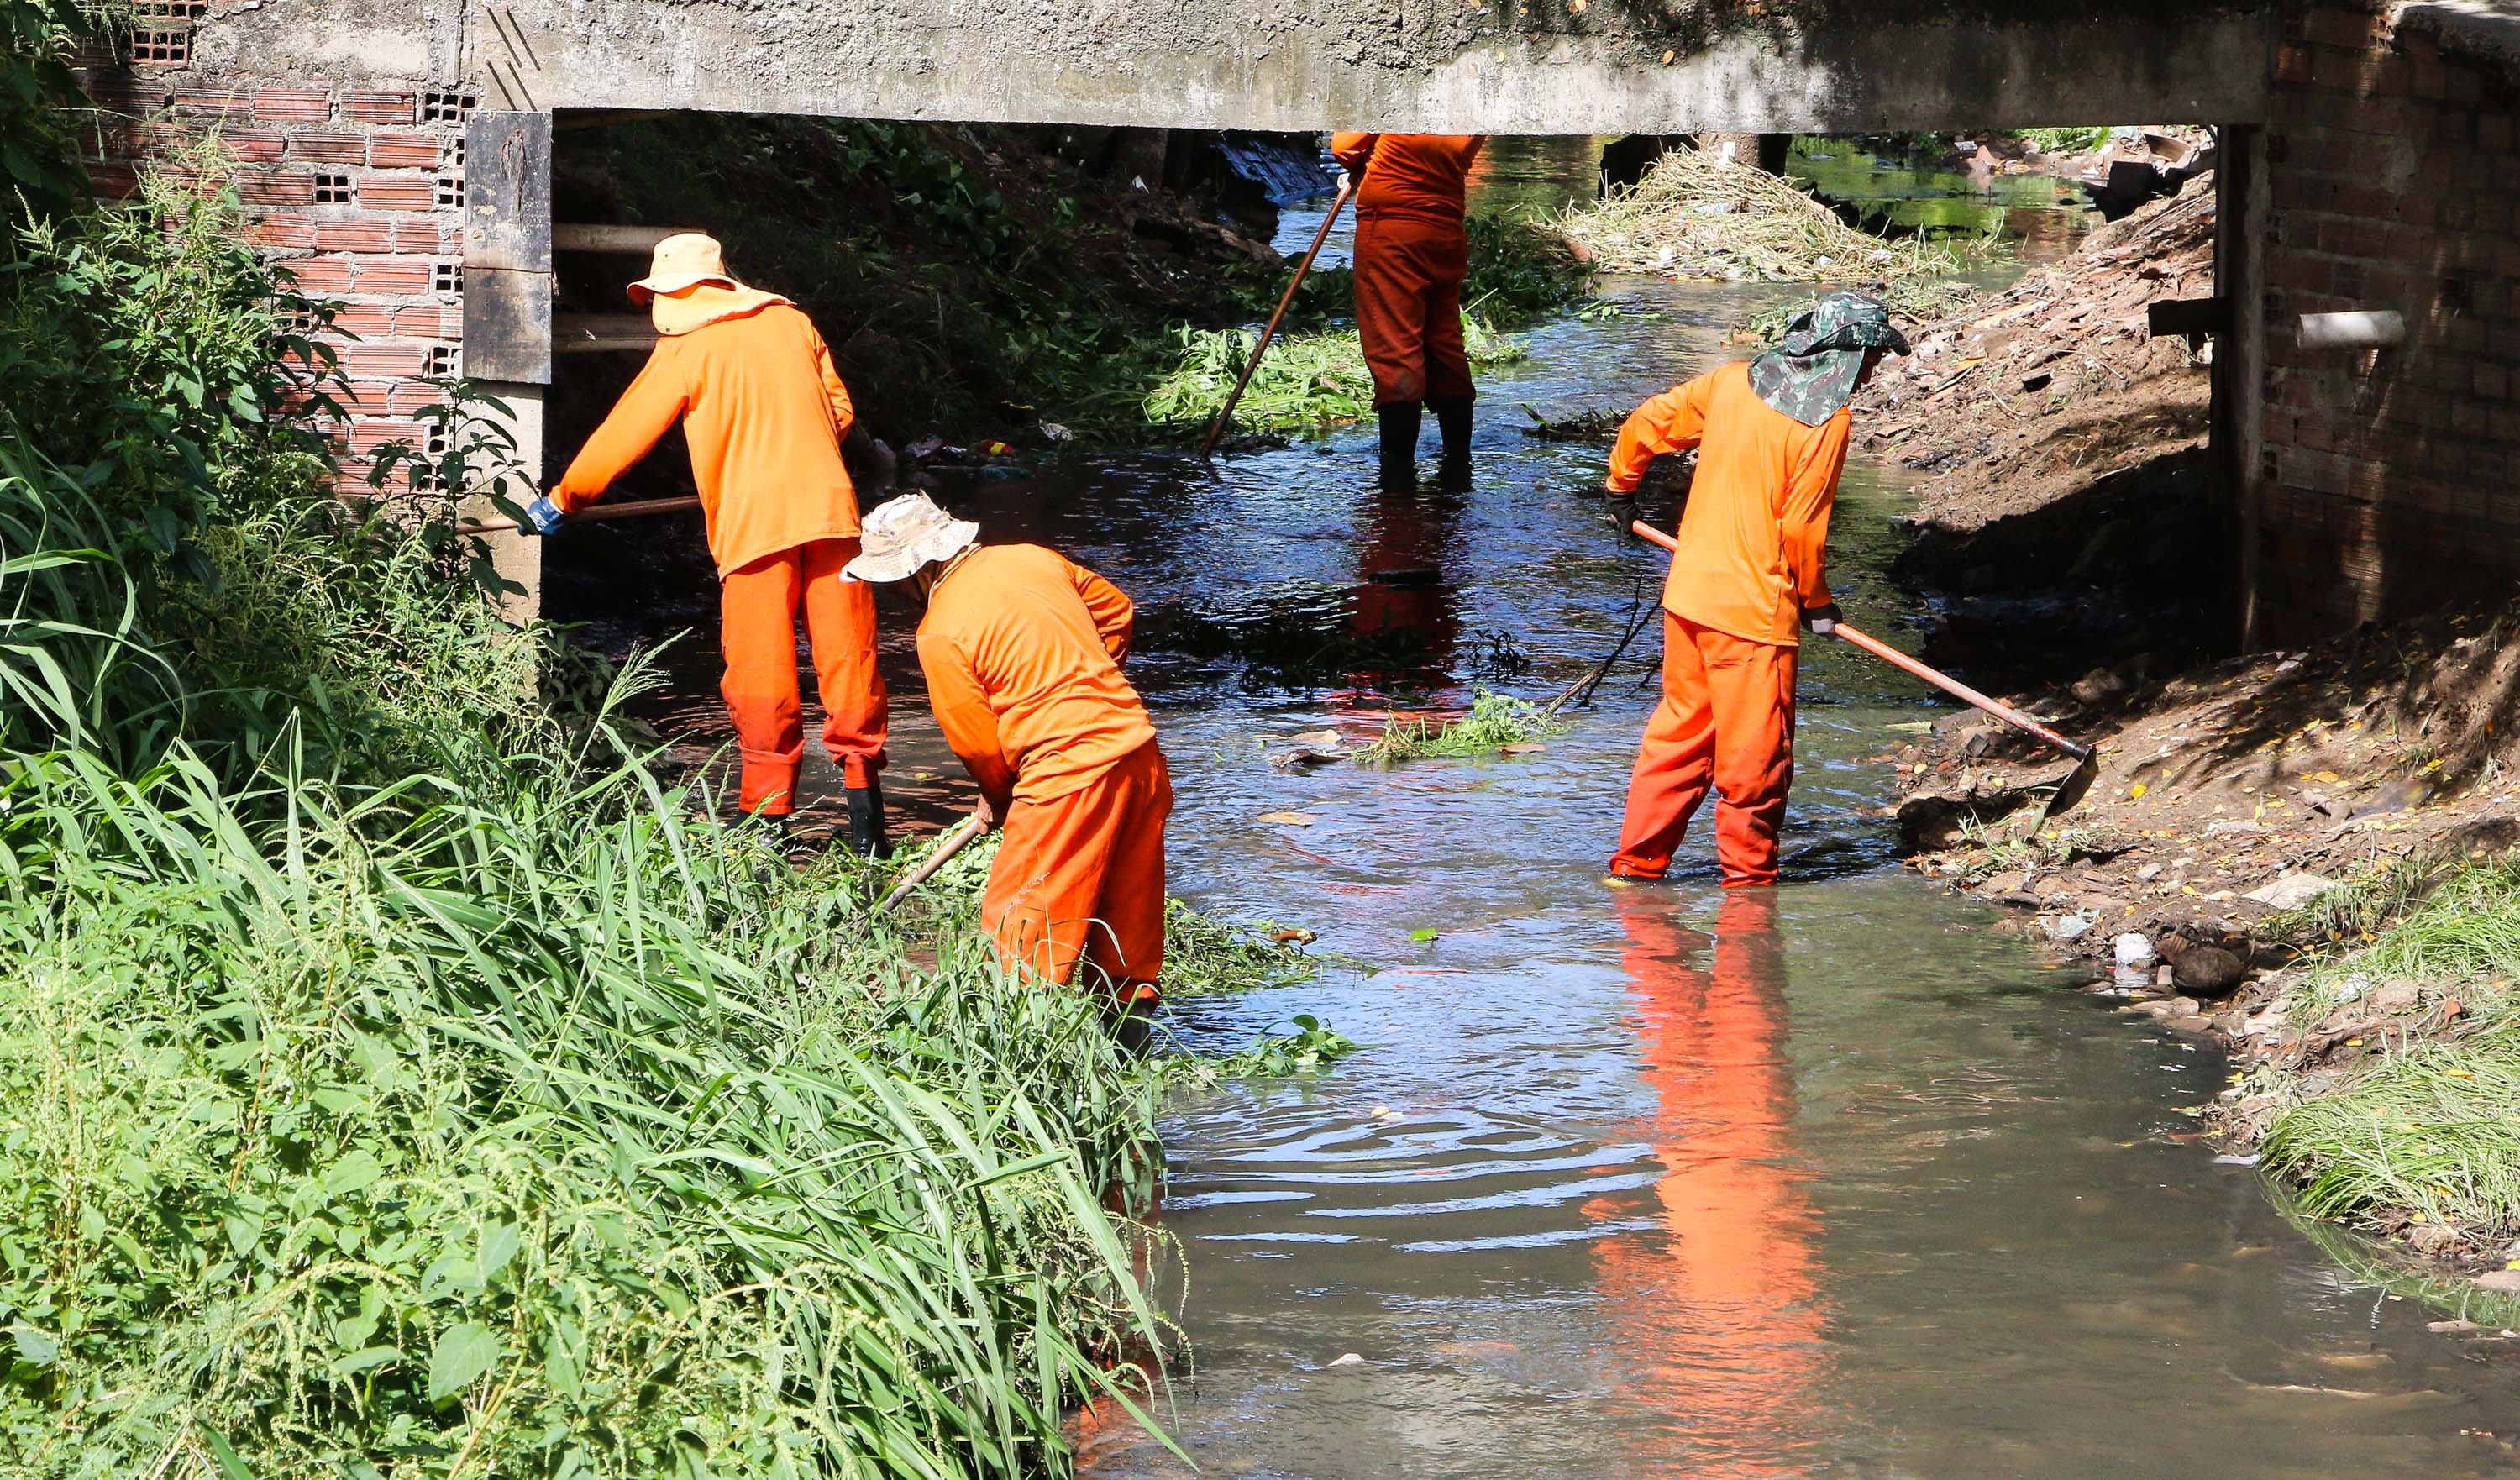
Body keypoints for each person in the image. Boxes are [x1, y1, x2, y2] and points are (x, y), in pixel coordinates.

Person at [523, 233, 890, 853]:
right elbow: (840, 410)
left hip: (754, 527)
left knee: (761, 670)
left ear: (672, 295)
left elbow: (624, 436)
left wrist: (565, 499)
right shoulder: (793, 322)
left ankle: (767, 832)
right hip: (834, 514)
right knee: (849, 662)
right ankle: (870, 835)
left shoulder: (687, 347)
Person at [1603, 291, 1909, 887]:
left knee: (1679, 737)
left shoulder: (1731, 383)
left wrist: (1621, 485)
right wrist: (1817, 603)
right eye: (1871, 360)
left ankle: (1635, 871)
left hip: (1689, 595)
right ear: (1845, 359)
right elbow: (1800, 527)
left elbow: (1649, 421)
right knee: (1755, 761)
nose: (1872, 373)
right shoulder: (1826, 421)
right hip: (1752, 615)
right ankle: (1749, 896)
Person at [843, 494, 1172, 1037]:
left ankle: (1016, 1073)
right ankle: (1132, 1062)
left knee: (1021, 930)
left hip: (1065, 778)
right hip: (1137, 753)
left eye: (889, 583)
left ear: (915, 572)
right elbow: (1117, 612)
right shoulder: (1033, 558)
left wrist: (1000, 797)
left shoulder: (940, 630)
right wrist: (1088, 684)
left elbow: (976, 745)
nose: (891, 595)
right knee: (1125, 925)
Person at [1327, 132, 1488, 490]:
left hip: (1392, 229)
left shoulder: (1400, 83)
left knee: (1395, 347)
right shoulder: (1474, 98)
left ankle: (1397, 477)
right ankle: (1458, 462)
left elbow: (1343, 147)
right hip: (1446, 228)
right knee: (1444, 344)